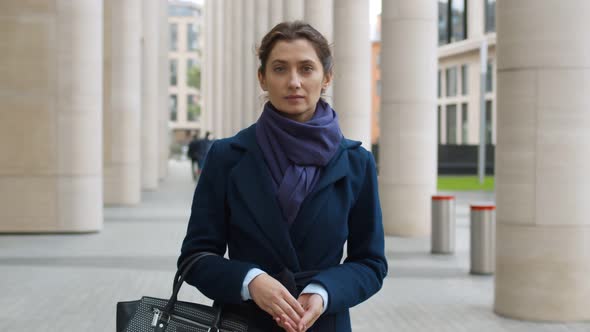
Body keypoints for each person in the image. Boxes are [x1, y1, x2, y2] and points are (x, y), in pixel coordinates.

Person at [178, 21, 387, 332]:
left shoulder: (357, 163)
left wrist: (323, 291)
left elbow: (371, 263)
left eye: (306, 69)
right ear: (262, 78)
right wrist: (250, 281)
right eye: (279, 69)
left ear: (326, 77)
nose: (293, 82)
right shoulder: (226, 157)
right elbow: (194, 259)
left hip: (322, 324)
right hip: (242, 323)